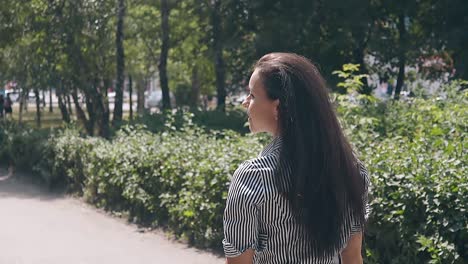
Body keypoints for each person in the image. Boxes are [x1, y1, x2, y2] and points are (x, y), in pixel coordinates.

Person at [223, 53, 370, 264]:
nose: (245, 103)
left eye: (253, 95)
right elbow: (353, 259)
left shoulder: (252, 178)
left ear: (277, 107)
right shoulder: (351, 171)